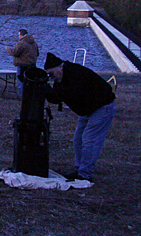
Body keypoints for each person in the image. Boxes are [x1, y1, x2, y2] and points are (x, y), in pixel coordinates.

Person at [43, 52, 116, 183]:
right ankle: (79, 170)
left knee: (90, 140)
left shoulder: (76, 73)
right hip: (88, 109)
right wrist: (46, 91)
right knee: (78, 139)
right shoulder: (61, 79)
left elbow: (72, 93)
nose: (51, 77)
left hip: (102, 106)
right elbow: (56, 98)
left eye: (52, 73)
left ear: (60, 67)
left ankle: (85, 174)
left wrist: (52, 91)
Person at [5, 29, 39, 98]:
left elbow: (15, 53)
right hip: (32, 65)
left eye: (19, 35)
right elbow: (37, 53)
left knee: (21, 82)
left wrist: (8, 50)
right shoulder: (34, 43)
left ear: (21, 35)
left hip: (22, 65)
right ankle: (30, 96)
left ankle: (23, 97)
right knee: (30, 82)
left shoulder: (22, 43)